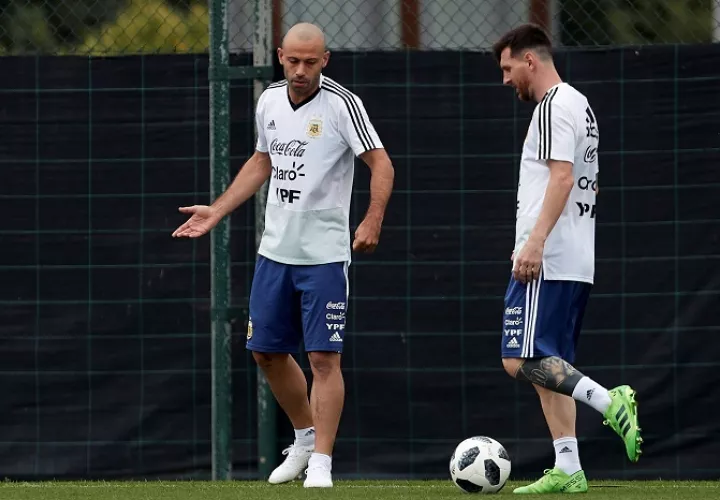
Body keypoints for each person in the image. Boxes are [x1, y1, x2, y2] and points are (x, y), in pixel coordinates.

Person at [172, 22, 394, 488]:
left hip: (326, 256)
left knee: (323, 359)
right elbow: (262, 160)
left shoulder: (343, 105)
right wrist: (216, 210)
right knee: (266, 352)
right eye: (292, 61)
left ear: (325, 60)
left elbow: (381, 163)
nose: (300, 70)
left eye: (310, 62)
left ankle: (322, 464)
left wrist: (372, 218)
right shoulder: (269, 99)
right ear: (280, 55)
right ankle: (305, 438)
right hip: (275, 252)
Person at [491, 24, 642, 494]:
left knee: (518, 359)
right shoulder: (580, 105)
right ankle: (569, 467)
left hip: (549, 256)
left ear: (529, 60)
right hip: (574, 253)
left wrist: (534, 243)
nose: (505, 79)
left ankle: (608, 400)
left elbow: (561, 179)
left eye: (507, 68)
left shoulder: (554, 105)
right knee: (550, 366)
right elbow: (582, 183)